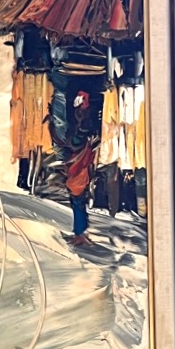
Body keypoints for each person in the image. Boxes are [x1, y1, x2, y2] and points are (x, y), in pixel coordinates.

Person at [65, 91, 96, 246]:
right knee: (78, 198)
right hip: (80, 159)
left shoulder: (83, 117)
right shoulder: (82, 115)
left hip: (80, 159)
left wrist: (71, 142)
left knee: (77, 197)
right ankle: (80, 231)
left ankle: (80, 233)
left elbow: (78, 139)